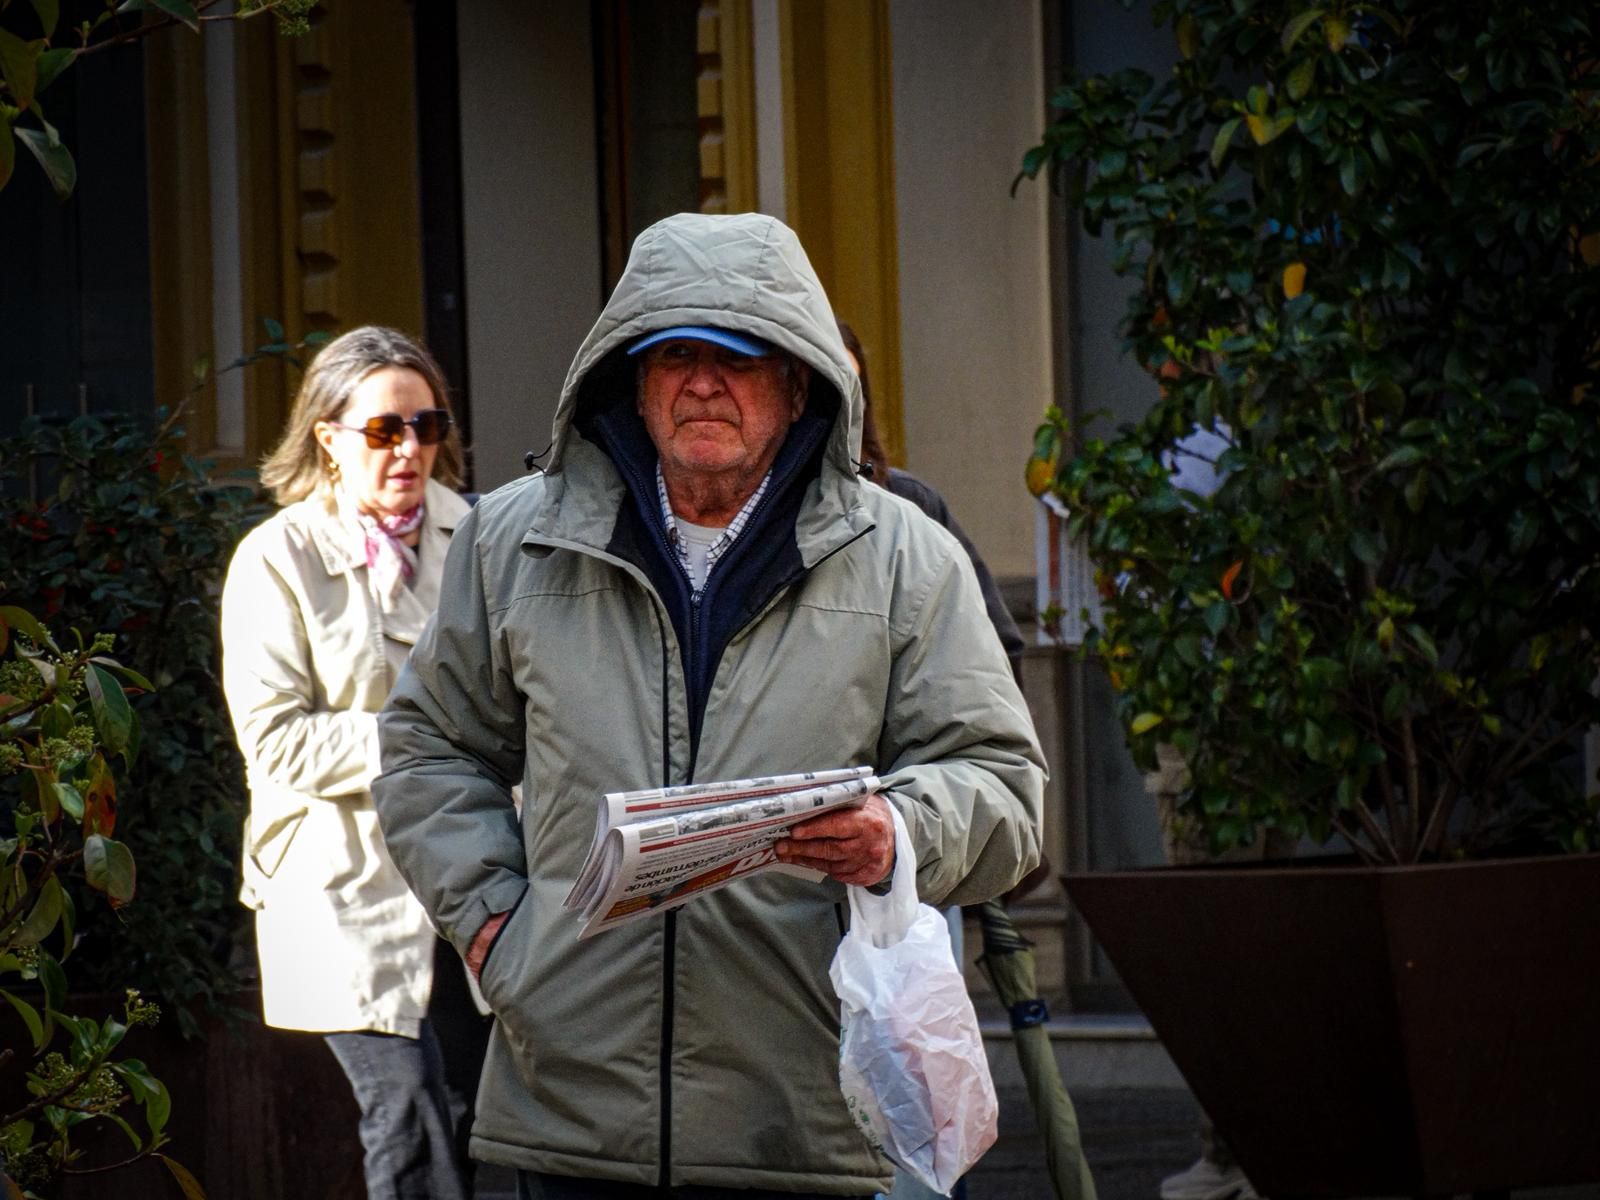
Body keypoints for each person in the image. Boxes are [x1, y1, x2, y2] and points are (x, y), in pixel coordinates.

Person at [372, 211, 1046, 1199]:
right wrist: (496, 929)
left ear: (797, 380)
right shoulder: (512, 542)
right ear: (630, 381)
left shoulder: (907, 559)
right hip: (570, 1115)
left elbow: (1004, 793)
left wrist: (899, 831)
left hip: (807, 1118)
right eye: (672, 355)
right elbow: (428, 744)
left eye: (735, 358)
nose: (700, 382)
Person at [220, 326, 488, 1200]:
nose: (410, 449)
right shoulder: (276, 558)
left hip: (470, 874)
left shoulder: (479, 536)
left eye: (428, 424)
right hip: (343, 889)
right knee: (407, 1119)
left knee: (480, 1114)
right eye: (383, 429)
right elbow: (277, 742)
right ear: (327, 436)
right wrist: (423, 741)